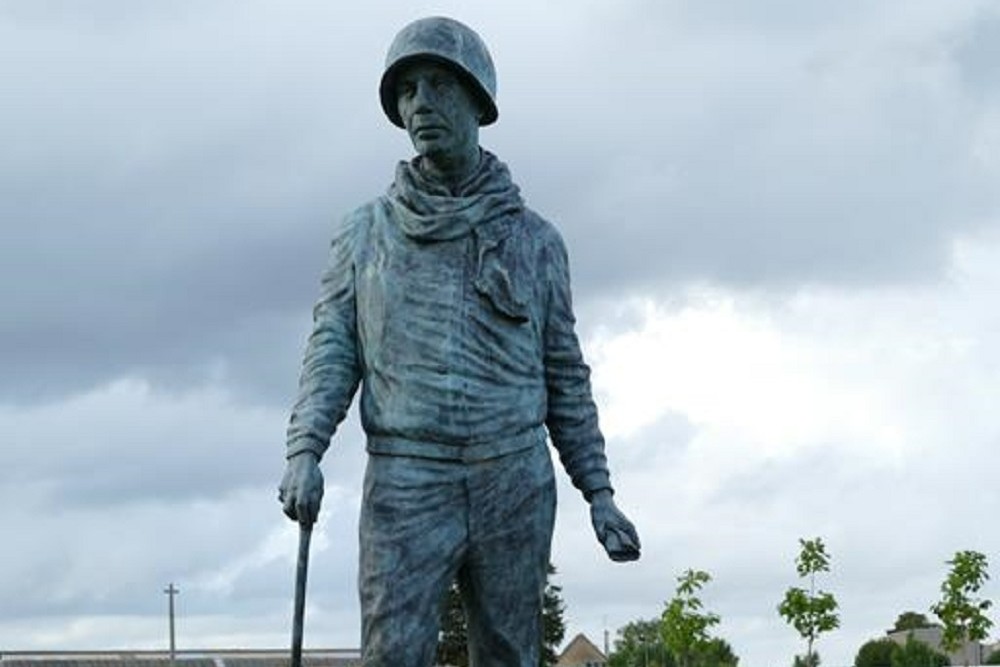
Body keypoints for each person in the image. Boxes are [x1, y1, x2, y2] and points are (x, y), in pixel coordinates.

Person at [278, 16, 640, 667]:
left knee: (511, 650)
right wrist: (305, 448)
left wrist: (599, 490)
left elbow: (564, 373)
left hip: (513, 472)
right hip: (406, 474)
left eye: (439, 85)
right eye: (409, 90)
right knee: (393, 652)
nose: (421, 104)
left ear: (478, 100)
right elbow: (332, 346)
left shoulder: (536, 241)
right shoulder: (366, 232)